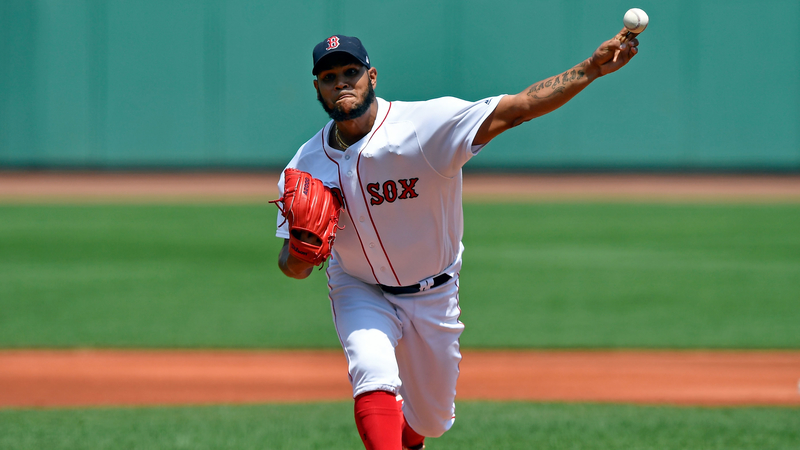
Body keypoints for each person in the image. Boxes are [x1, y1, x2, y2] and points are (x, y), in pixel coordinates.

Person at [275, 31, 639, 450]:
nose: (341, 82)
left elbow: (518, 108)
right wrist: (301, 252)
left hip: (433, 293)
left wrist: (591, 69)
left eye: (351, 71)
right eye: (329, 75)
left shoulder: (426, 126)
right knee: (372, 374)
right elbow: (291, 265)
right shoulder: (304, 166)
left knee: (430, 420)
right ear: (317, 86)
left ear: (371, 76)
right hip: (358, 288)